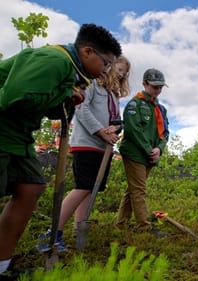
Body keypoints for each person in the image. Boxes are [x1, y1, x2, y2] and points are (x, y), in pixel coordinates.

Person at [0, 23, 121, 274]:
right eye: (106, 62)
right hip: (3, 128)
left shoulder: (73, 73)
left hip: (18, 135)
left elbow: (44, 105)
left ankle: (2, 264)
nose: (107, 70)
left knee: (31, 186)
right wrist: (65, 93)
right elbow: (15, 98)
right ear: (88, 51)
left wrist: (66, 99)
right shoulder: (55, 60)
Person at [38, 56, 131, 252]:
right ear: (108, 68)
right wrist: (100, 131)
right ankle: (52, 233)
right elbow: (81, 110)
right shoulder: (92, 86)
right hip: (86, 143)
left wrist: (114, 130)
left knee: (90, 190)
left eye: (124, 72)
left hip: (103, 148)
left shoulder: (113, 96)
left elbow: (116, 120)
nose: (121, 74)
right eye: (119, 69)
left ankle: (78, 233)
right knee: (82, 187)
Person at [115, 68, 169, 237]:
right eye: (154, 86)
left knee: (133, 189)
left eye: (160, 87)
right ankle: (144, 227)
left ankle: (121, 223)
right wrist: (148, 150)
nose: (158, 90)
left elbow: (165, 132)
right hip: (135, 152)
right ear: (144, 84)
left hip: (151, 154)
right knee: (139, 190)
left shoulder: (161, 109)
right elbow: (133, 129)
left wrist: (159, 149)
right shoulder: (134, 104)